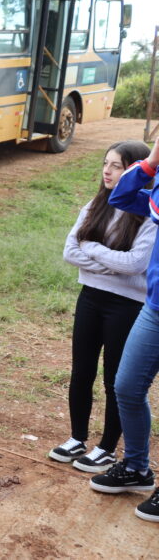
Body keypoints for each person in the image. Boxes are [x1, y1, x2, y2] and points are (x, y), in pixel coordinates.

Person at [49, 141, 154, 472]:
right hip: (91, 296)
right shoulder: (94, 205)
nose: (108, 171)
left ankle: (107, 447)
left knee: (115, 378)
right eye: (105, 164)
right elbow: (70, 252)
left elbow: (136, 263)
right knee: (81, 370)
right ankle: (77, 437)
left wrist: (92, 249)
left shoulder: (148, 213)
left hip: (128, 305)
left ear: (136, 171)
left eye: (117, 166)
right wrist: (110, 261)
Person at [94, 137, 159, 522]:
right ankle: (137, 467)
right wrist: (151, 161)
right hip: (154, 307)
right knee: (126, 386)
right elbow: (121, 197)